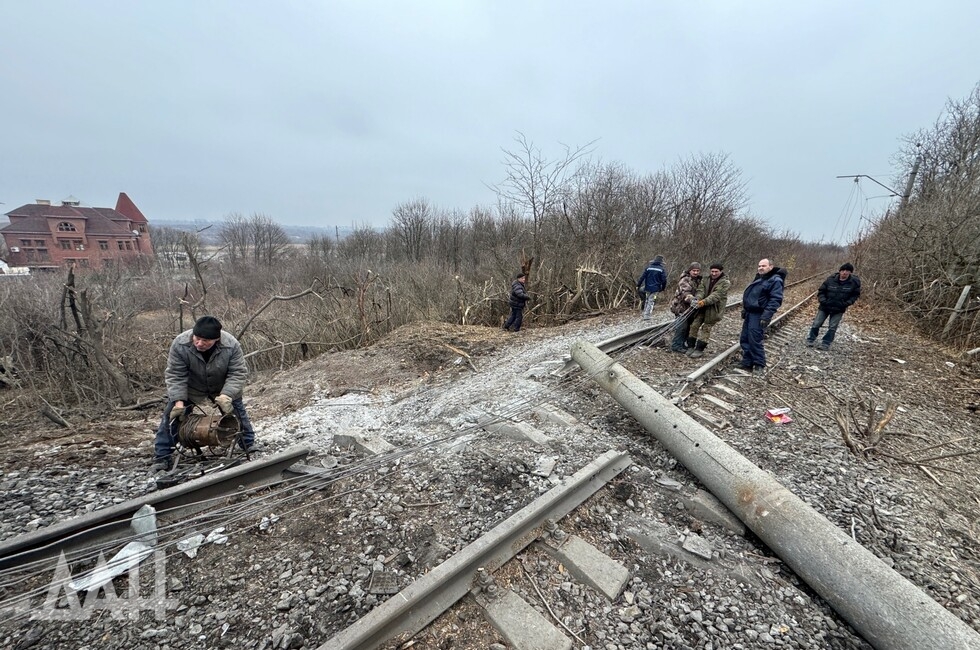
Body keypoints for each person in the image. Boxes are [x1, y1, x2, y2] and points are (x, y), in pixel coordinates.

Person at [153, 316, 257, 471]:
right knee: (171, 417)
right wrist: (179, 402)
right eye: (197, 338)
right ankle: (162, 457)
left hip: (222, 386)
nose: (199, 343)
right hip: (191, 387)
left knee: (237, 413)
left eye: (205, 341)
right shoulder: (180, 343)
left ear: (216, 339)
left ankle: (248, 444)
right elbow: (176, 374)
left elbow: (238, 373)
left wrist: (226, 395)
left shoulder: (232, 345)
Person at [739, 258, 787, 372]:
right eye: (759, 266)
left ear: (770, 267)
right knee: (745, 338)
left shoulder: (775, 280)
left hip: (759, 313)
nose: (761, 268)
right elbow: (753, 295)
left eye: (763, 266)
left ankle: (759, 363)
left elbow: (775, 299)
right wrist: (746, 309)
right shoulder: (760, 278)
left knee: (755, 338)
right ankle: (747, 362)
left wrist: (766, 316)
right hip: (751, 312)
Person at [807, 263, 861, 351]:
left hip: (839, 308)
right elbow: (821, 291)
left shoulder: (854, 283)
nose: (844, 273)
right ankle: (811, 339)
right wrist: (823, 300)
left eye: (847, 271)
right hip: (825, 306)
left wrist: (846, 303)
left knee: (832, 327)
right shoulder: (830, 279)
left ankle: (826, 343)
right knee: (816, 323)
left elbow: (855, 295)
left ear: (850, 273)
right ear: (839, 271)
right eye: (843, 270)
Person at [686, 262, 731, 358]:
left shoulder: (725, 282)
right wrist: (697, 299)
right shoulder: (705, 279)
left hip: (714, 309)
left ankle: (699, 349)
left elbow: (716, 295)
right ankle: (690, 346)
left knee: (706, 328)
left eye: (716, 271)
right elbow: (701, 290)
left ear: (721, 271)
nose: (714, 273)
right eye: (712, 271)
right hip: (702, 308)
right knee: (694, 325)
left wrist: (703, 302)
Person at [668, 262, 703, 353]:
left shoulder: (699, 280)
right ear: (690, 270)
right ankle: (676, 345)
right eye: (693, 270)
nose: (695, 272)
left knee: (688, 327)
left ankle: (682, 344)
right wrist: (692, 300)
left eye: (697, 271)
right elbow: (685, 293)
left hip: (691, 309)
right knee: (681, 327)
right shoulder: (684, 280)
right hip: (680, 307)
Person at [636, 255, 668, 320]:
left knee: (647, 300)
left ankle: (644, 313)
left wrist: (638, 285)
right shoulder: (661, 270)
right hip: (656, 288)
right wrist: (663, 288)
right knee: (651, 301)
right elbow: (664, 280)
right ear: (661, 262)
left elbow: (642, 277)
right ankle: (647, 316)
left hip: (647, 287)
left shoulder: (648, 268)